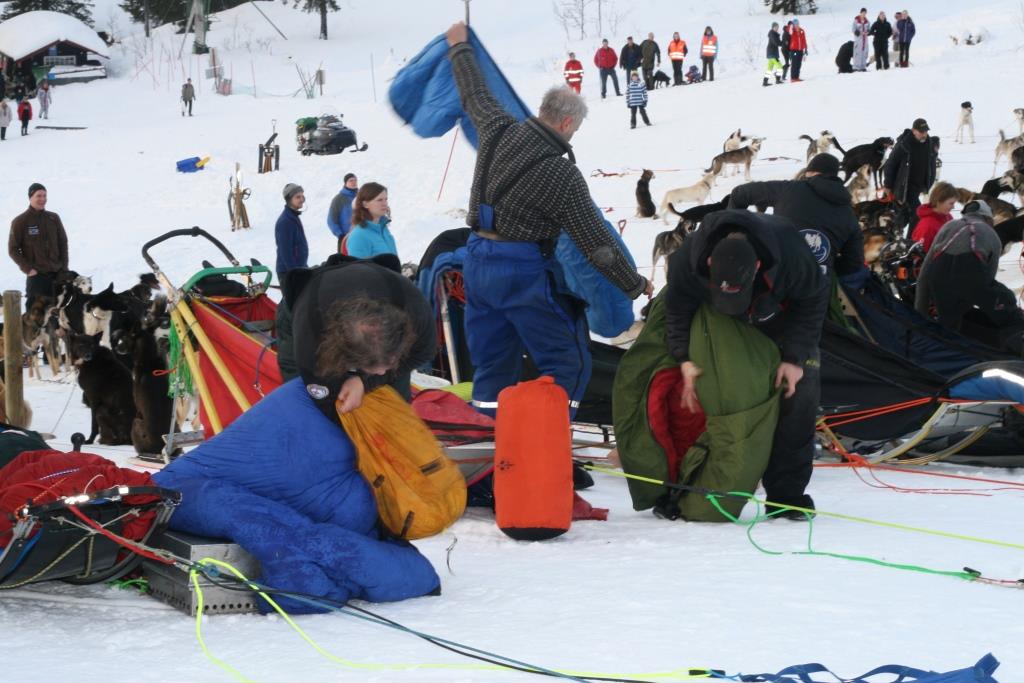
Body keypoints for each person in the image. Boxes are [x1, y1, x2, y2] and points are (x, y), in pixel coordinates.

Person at [445, 21, 651, 418]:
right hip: (522, 272)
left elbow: (474, 93)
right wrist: (634, 283)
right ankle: (547, 437)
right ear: (567, 123)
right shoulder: (561, 174)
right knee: (567, 361)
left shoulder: (497, 129)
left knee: (493, 363)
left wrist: (459, 48)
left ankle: (491, 435)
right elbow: (597, 244)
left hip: (477, 262)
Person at [664, 209, 829, 518]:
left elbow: (813, 300)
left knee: (799, 395)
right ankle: (682, 484)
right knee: (719, 392)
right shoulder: (687, 260)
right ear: (709, 263)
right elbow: (676, 309)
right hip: (723, 324)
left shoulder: (792, 253)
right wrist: (683, 358)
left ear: (756, 266)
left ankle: (786, 496)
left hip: (781, 322)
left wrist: (794, 358)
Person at [275, 256, 437, 402]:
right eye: (371, 366)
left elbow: (423, 353)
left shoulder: (416, 313)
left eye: (392, 359)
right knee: (308, 398)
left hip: (376, 279)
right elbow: (320, 393)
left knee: (397, 396)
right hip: (306, 301)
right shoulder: (310, 336)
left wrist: (365, 382)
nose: (382, 372)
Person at [728, 154, 864, 282]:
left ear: (810, 172)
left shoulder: (788, 189)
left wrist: (732, 235)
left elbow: (739, 194)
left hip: (774, 281)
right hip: (817, 288)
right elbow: (854, 263)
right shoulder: (849, 213)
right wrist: (825, 265)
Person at [915, 200, 1023, 352]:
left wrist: (919, 314)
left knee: (949, 322)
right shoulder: (991, 235)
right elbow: (987, 281)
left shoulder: (948, 226)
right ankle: (1010, 349)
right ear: (988, 218)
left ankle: (943, 350)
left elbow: (925, 271)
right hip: (969, 274)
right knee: (1008, 306)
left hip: (938, 276)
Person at [8, 183, 69, 309]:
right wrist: (28, 269)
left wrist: (64, 269)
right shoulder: (20, 221)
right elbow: (13, 249)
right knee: (34, 315)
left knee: (56, 314)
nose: (43, 199)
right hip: (37, 277)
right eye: (39, 196)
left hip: (57, 276)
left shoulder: (53, 218)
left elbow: (63, 244)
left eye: (45, 195)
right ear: (30, 197)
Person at [882, 118, 939, 234]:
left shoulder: (929, 144)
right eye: (921, 132)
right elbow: (890, 164)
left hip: (918, 186)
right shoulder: (904, 145)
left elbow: (932, 165)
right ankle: (910, 240)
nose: (924, 134)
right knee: (917, 213)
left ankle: (892, 235)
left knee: (904, 215)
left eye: (926, 131)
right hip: (903, 186)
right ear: (914, 131)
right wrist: (887, 185)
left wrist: (929, 183)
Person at [344, 182, 398, 259]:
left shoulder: (383, 229)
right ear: (365, 204)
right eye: (379, 200)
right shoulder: (358, 236)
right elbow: (357, 266)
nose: (385, 204)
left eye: (386, 199)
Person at [275, 183, 309, 283]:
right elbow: (285, 251)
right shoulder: (285, 221)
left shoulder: (293, 217)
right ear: (289, 199)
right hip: (289, 272)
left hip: (299, 269)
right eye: (298, 197)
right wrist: (294, 272)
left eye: (302, 196)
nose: (302, 199)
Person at [910, 181, 957, 253]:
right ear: (939, 201)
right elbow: (918, 255)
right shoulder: (927, 226)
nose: (953, 207)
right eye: (951, 203)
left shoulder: (948, 218)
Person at [327, 172, 358, 244]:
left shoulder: (361, 197)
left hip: (362, 236)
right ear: (345, 183)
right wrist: (340, 235)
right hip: (346, 238)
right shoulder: (338, 199)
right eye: (351, 180)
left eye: (355, 180)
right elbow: (331, 220)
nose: (354, 182)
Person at [764, 22, 784, 86]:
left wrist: (781, 42)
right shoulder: (772, 34)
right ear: (773, 27)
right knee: (780, 66)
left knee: (769, 68)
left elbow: (777, 42)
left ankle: (765, 82)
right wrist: (783, 43)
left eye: (777, 27)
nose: (777, 28)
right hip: (772, 53)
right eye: (775, 27)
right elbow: (776, 43)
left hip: (771, 53)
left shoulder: (773, 34)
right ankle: (778, 79)